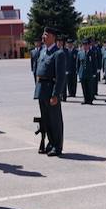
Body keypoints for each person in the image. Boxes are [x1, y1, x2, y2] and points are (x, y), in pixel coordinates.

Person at [35, 27, 67, 156]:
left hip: (51, 90)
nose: (43, 37)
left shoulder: (58, 53)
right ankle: (51, 142)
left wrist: (56, 94)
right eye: (43, 34)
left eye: (46, 35)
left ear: (53, 37)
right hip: (42, 89)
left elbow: (60, 77)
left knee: (55, 120)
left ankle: (57, 146)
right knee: (46, 119)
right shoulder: (43, 52)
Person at [77, 38, 98, 104]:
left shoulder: (92, 53)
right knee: (84, 87)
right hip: (82, 73)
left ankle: (90, 100)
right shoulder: (80, 53)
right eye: (84, 45)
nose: (85, 46)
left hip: (90, 73)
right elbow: (78, 64)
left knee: (90, 87)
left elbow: (95, 63)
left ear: (89, 45)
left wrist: (94, 72)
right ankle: (85, 99)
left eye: (86, 44)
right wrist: (78, 72)